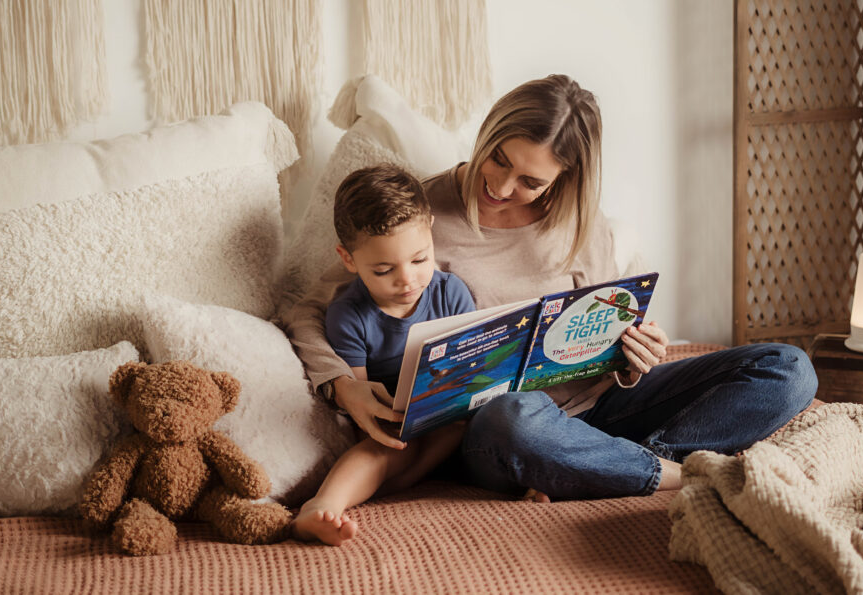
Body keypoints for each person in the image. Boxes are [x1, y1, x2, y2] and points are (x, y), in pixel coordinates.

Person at [284, 74, 817, 508]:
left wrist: (633, 359)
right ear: (489, 132)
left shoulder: (587, 228)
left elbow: (608, 351)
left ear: (564, 179)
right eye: (499, 158)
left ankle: (621, 463)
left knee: (788, 368)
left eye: (531, 181)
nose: (501, 187)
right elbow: (310, 309)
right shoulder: (416, 220)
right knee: (513, 416)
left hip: (599, 407)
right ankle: (627, 467)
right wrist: (340, 385)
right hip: (503, 426)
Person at [290, 164, 477, 545]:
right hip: (394, 422)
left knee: (487, 429)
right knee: (386, 453)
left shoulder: (451, 293)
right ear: (348, 260)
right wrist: (399, 419)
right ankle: (320, 507)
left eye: (420, 259)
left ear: (432, 234)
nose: (407, 279)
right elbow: (365, 404)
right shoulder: (348, 314)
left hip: (456, 415)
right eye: (384, 269)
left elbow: (472, 359)